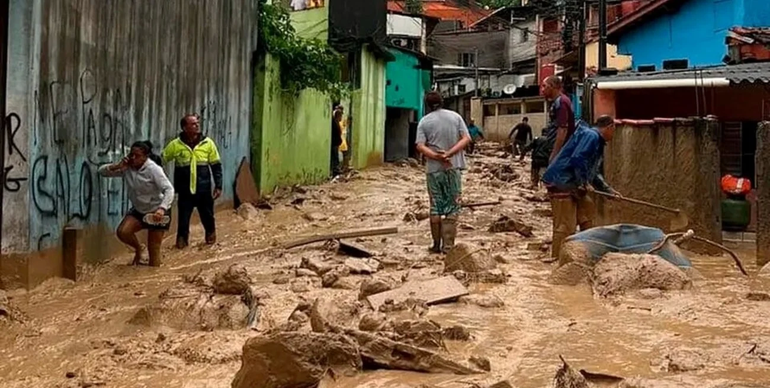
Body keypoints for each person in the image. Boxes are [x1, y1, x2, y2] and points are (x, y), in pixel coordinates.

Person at [541, 115, 621, 259]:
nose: (613, 134)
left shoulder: (595, 139)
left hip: (572, 183)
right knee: (565, 225)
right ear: (610, 127)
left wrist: (608, 190)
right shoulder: (592, 136)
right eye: (614, 130)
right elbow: (578, 158)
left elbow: (593, 172)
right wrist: (583, 182)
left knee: (587, 213)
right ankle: (558, 259)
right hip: (561, 182)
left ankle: (587, 252)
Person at [99, 141, 174, 266]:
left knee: (154, 258)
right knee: (123, 232)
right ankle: (139, 249)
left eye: (137, 156)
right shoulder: (126, 168)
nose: (133, 158)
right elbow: (101, 172)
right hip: (139, 210)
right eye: (131, 155)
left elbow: (169, 189)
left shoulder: (154, 169)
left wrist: (162, 208)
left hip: (157, 211)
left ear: (145, 157)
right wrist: (117, 166)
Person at [415, 91, 472, 254]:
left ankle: (435, 245)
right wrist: (449, 154)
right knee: (452, 206)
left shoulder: (424, 121)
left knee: (435, 207)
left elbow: (420, 145)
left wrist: (436, 156)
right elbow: (466, 139)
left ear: (426, 104)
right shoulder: (455, 117)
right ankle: (448, 247)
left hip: (433, 170)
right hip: (453, 168)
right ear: (442, 102)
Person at [162, 114, 223, 249]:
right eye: (193, 124)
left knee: (208, 217)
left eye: (197, 123)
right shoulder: (175, 145)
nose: (197, 126)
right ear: (184, 127)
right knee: (183, 221)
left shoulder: (208, 143)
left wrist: (218, 186)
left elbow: (216, 166)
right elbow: (162, 160)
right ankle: (181, 244)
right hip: (185, 191)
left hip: (204, 190)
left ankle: (210, 240)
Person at [541, 75, 575, 163]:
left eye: (544, 86)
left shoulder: (561, 102)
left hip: (562, 149)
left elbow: (562, 129)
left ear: (552, 86)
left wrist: (554, 154)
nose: (542, 89)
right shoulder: (557, 101)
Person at [330, 106, 343, 177]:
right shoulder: (334, 123)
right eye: (341, 116)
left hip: (336, 143)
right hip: (335, 143)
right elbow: (336, 133)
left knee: (336, 156)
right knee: (335, 157)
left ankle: (336, 169)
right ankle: (335, 170)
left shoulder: (336, 122)